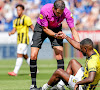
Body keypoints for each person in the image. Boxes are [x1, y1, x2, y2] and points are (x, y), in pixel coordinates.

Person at [30, 0, 80, 89]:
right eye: (57, 13)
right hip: (41, 28)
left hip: (56, 28)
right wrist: (56, 35)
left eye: (61, 13)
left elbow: (73, 30)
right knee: (33, 55)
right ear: (53, 8)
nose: (59, 15)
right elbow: (45, 29)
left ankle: (60, 85)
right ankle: (33, 85)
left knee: (59, 56)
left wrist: (79, 44)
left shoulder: (67, 13)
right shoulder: (44, 10)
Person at [8, 4, 34, 76]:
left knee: (19, 54)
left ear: (22, 10)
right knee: (25, 56)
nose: (18, 11)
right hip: (19, 40)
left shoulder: (26, 18)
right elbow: (14, 30)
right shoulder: (15, 20)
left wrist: (37, 35)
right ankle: (34, 69)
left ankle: (15, 72)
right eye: (17, 10)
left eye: (19, 10)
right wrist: (11, 33)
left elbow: (32, 27)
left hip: (24, 40)